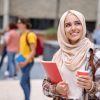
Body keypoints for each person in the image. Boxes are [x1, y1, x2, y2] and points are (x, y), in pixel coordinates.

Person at [42, 10, 100, 100]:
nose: (73, 28)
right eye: (68, 25)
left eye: (77, 23)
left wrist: (91, 86)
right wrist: (56, 89)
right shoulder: (58, 55)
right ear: (63, 29)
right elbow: (45, 86)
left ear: (83, 26)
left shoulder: (95, 55)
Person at [17, 18, 37, 100]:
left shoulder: (30, 35)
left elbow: (33, 51)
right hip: (22, 62)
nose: (17, 24)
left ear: (24, 24)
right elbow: (21, 51)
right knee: (27, 82)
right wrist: (18, 62)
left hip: (28, 62)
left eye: (19, 23)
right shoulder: (22, 35)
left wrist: (25, 62)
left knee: (22, 82)